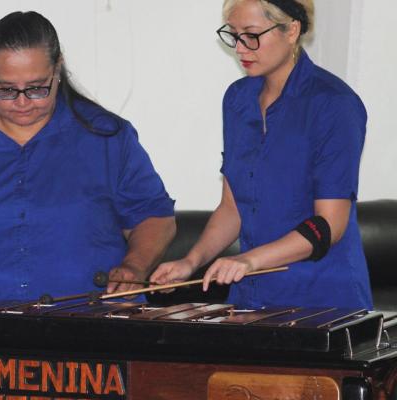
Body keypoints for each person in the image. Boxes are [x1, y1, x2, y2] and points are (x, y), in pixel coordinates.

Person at [0, 11, 176, 300]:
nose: (23, 102)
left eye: (38, 88)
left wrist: (134, 267)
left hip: (89, 320)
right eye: (5, 89)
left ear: (58, 70)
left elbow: (154, 216)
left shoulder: (107, 137)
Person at [150, 0, 372, 310]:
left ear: (292, 30)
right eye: (234, 35)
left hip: (322, 298)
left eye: (251, 35)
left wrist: (249, 259)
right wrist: (191, 261)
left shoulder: (334, 104)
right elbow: (232, 208)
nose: (240, 48)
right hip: (252, 297)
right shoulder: (238, 99)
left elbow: (329, 225)